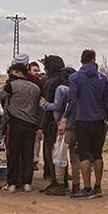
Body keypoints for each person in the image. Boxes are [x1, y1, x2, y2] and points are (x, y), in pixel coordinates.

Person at [62, 49, 108, 198]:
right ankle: (98, 187)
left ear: (81, 60)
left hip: (82, 119)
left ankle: (87, 188)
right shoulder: (102, 78)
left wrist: (65, 117)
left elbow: (72, 99)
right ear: (94, 59)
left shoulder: (75, 77)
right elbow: (106, 102)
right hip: (99, 120)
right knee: (97, 154)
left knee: (83, 154)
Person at [0, 63, 43, 193]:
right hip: (31, 123)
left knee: (14, 153)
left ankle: (12, 183)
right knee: (28, 153)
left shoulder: (12, 85)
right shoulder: (35, 88)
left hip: (16, 123)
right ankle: (27, 183)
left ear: (18, 72)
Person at [40, 67, 79, 196]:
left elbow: (57, 105)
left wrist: (44, 104)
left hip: (63, 126)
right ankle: (76, 186)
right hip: (77, 125)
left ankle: (60, 184)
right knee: (75, 157)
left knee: (58, 155)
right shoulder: (78, 89)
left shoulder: (61, 89)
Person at [40, 55, 66, 192]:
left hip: (51, 123)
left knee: (51, 152)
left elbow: (46, 104)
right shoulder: (65, 80)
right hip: (65, 121)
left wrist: (41, 126)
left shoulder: (50, 82)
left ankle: (55, 181)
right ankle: (64, 180)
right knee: (62, 152)